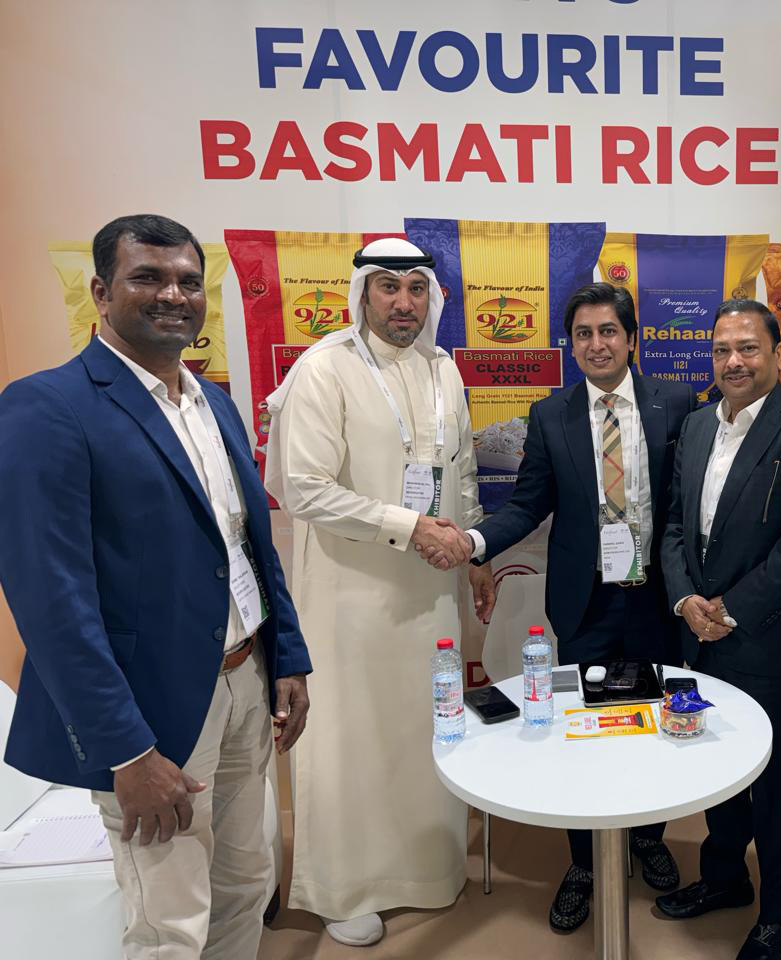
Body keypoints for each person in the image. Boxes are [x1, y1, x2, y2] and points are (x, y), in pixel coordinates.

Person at [0, 214, 312, 959]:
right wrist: (125, 752)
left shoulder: (212, 402)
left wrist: (288, 657)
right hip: (151, 715)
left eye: (188, 282)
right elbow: (51, 600)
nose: (173, 295)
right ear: (101, 292)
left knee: (246, 885)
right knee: (170, 921)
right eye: (148, 277)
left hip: (244, 682)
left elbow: (248, 546)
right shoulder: (47, 407)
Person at [441, 282, 696, 933]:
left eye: (608, 331)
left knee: (655, 723)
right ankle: (584, 861)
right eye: (583, 334)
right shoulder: (550, 414)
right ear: (571, 345)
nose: (596, 344)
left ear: (631, 339)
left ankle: (647, 836)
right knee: (583, 731)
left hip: (657, 600)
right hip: (585, 604)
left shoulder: (674, 402)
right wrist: (475, 543)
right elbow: (529, 504)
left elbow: (689, 504)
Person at [265, 236, 493, 947]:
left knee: (424, 728)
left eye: (416, 288)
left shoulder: (443, 369)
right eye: (388, 287)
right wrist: (408, 525)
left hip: (431, 594)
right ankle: (343, 889)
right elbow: (302, 488)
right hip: (350, 598)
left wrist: (475, 552)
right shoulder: (323, 368)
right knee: (352, 737)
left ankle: (426, 869)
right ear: (362, 293)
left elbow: (462, 470)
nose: (403, 303)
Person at [657, 300, 781, 960]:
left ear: (777, 354)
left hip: (769, 636)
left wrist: (729, 609)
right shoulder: (696, 426)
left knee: (777, 781)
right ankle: (724, 879)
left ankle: (780, 909)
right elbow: (674, 526)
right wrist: (685, 600)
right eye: (721, 350)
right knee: (716, 760)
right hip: (699, 634)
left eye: (747, 348)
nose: (733, 361)